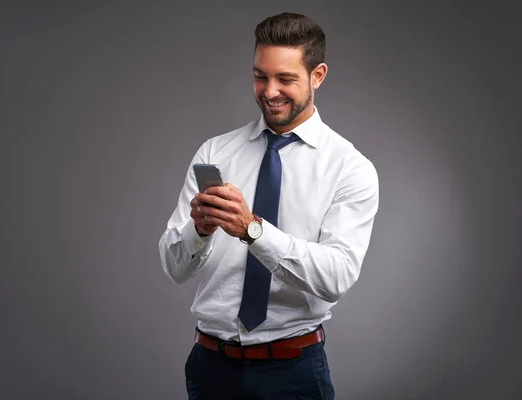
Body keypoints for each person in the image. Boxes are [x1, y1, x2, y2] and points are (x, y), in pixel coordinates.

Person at [158, 12, 379, 400]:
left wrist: (252, 230)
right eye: (260, 76)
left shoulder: (350, 168)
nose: (269, 91)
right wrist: (200, 231)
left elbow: (337, 277)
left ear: (318, 75)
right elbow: (175, 268)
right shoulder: (215, 152)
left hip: (292, 372)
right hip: (211, 369)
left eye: (286, 79)